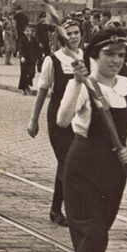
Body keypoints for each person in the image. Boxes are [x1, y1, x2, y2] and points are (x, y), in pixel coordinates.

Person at [57, 28, 127, 252]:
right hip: (82, 172)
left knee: (92, 242)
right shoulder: (85, 84)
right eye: (109, 54)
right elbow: (62, 120)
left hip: (113, 175)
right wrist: (78, 83)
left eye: (120, 55)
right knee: (93, 242)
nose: (116, 60)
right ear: (94, 55)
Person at [27, 19, 84, 226]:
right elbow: (42, 91)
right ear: (62, 37)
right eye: (69, 34)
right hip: (59, 120)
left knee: (72, 163)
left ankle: (55, 208)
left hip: (80, 118)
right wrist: (34, 120)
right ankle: (62, 210)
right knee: (66, 162)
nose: (74, 37)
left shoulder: (86, 59)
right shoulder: (53, 60)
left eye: (77, 32)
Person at [18, 24, 39, 95]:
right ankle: (23, 89)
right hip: (25, 59)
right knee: (24, 73)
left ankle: (27, 84)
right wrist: (22, 56)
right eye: (27, 31)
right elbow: (21, 49)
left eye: (30, 31)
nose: (29, 32)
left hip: (32, 58)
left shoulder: (34, 39)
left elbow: (37, 48)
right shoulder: (22, 39)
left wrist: (40, 55)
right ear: (24, 32)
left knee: (32, 73)